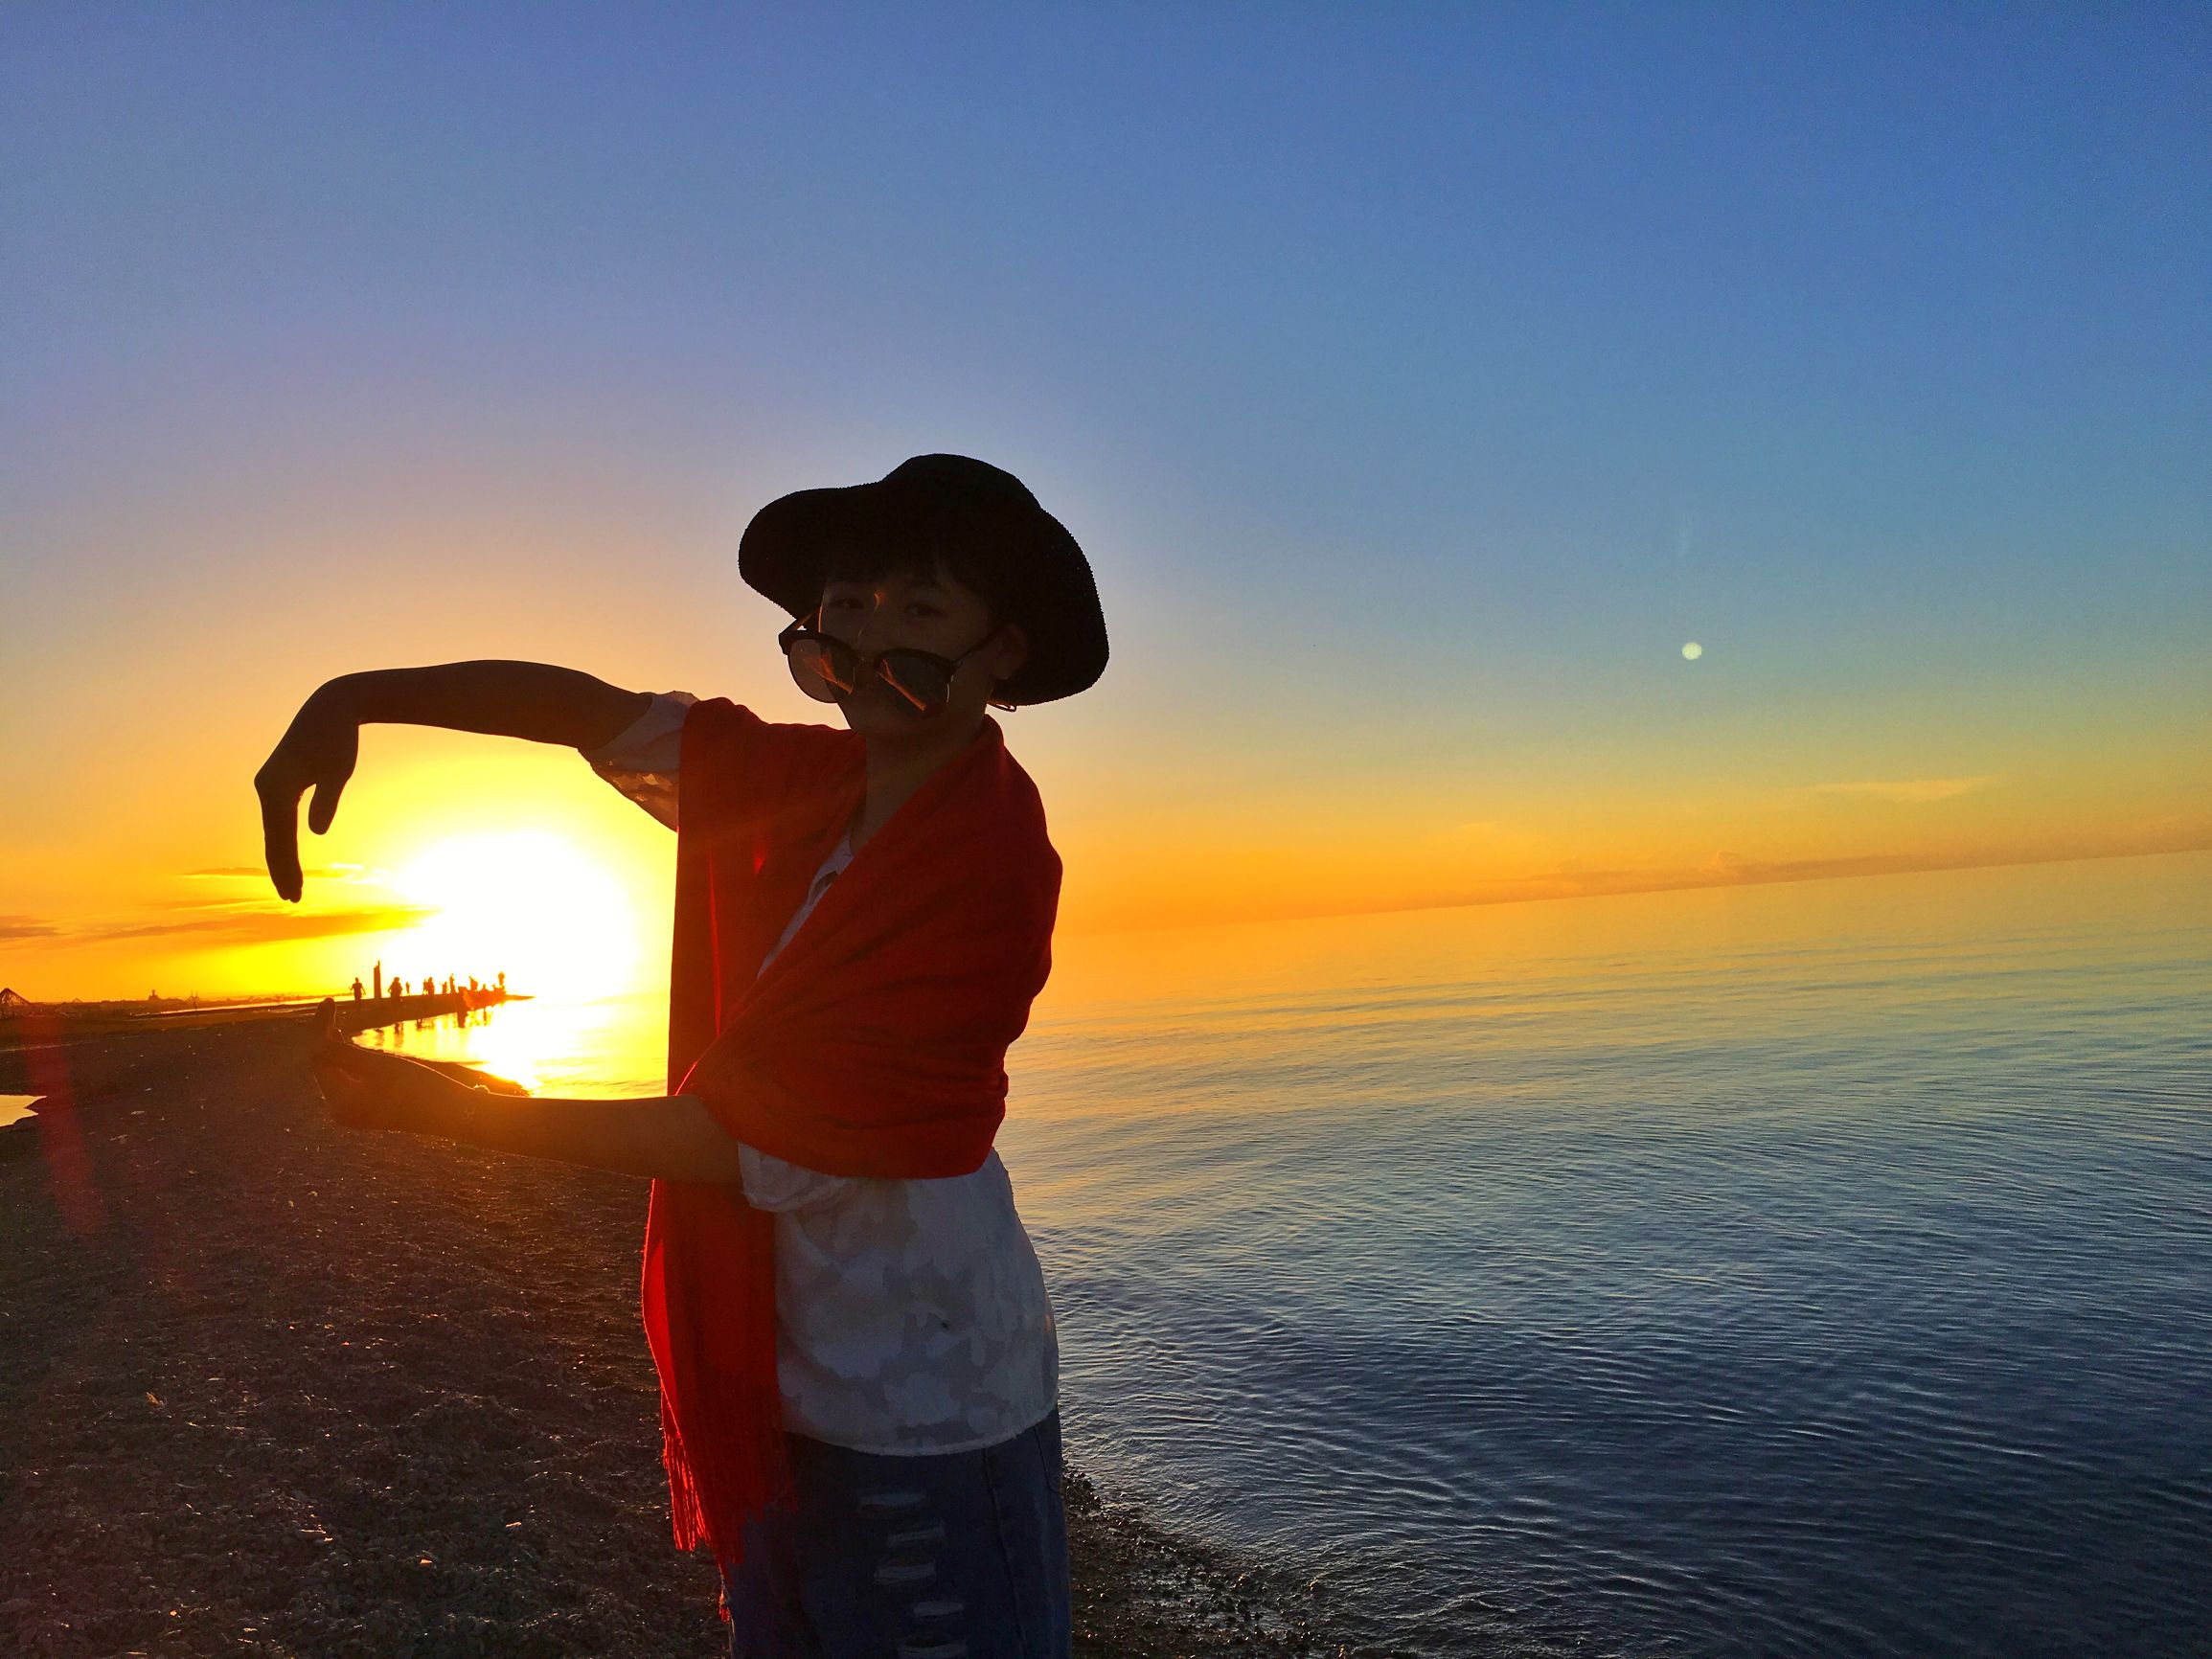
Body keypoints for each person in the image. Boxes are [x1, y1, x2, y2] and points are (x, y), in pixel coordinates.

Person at [255, 454, 1106, 1658]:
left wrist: (449, 1106)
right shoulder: (798, 787)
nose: (869, 643)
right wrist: (356, 691)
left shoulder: (986, 863)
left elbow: (743, 1139)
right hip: (782, 1360)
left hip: (927, 1397)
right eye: (846, 609)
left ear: (1002, 648)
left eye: (920, 610)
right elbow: (588, 710)